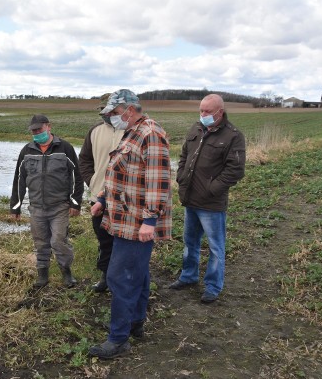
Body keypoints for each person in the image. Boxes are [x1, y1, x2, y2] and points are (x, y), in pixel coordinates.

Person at [88, 89, 172, 359]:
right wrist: (102, 198)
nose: (112, 118)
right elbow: (120, 173)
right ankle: (134, 323)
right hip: (122, 218)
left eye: (114, 113)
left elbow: (158, 181)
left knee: (119, 277)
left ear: (129, 109)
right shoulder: (132, 132)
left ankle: (118, 338)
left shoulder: (151, 133)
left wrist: (150, 220)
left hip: (137, 223)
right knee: (138, 274)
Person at [168, 93, 246, 304]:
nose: (203, 114)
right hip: (190, 198)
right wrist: (181, 176)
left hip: (211, 204)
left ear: (220, 112)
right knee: (189, 242)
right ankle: (188, 276)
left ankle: (213, 286)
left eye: (207, 111)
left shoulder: (233, 136)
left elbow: (235, 170)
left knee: (215, 247)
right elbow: (184, 155)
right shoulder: (196, 129)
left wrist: (212, 188)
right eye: (201, 110)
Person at [10, 114, 84, 289]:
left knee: (58, 241)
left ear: (48, 127)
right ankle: (42, 276)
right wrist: (15, 206)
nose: (36, 133)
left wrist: (75, 203)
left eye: (39, 129)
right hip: (36, 208)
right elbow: (19, 179)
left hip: (59, 206)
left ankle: (67, 273)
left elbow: (77, 177)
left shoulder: (64, 148)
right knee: (41, 243)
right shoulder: (26, 151)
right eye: (33, 131)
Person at [78, 94, 125, 292]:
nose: (108, 114)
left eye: (113, 111)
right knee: (104, 239)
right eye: (105, 110)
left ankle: (123, 280)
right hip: (98, 198)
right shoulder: (95, 131)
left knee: (124, 241)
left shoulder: (135, 131)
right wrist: (93, 183)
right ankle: (106, 277)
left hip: (126, 199)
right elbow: (85, 160)